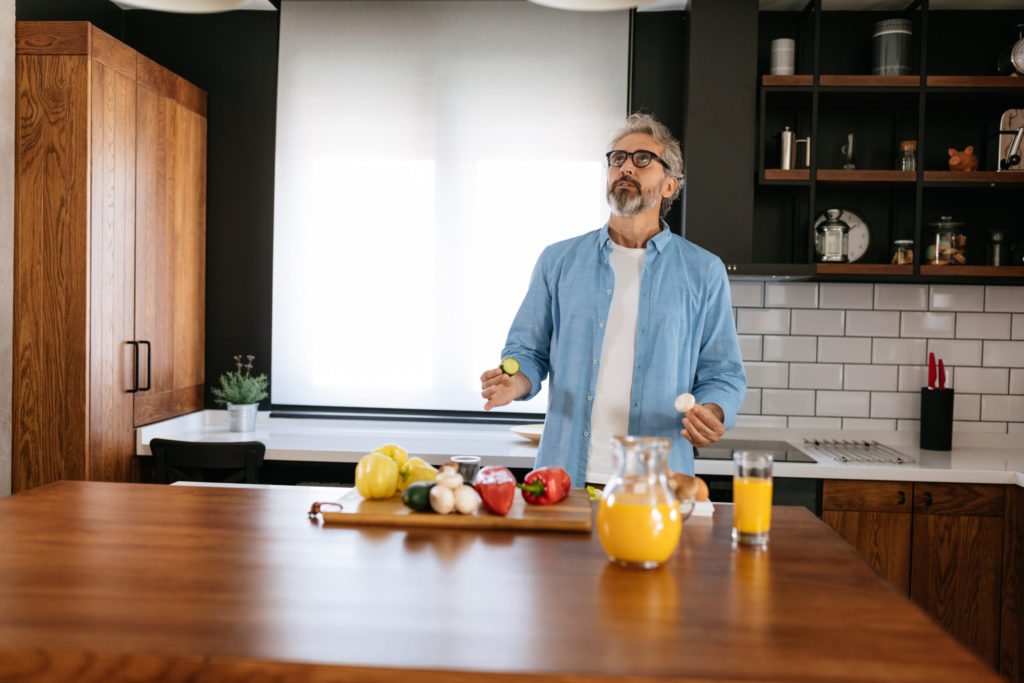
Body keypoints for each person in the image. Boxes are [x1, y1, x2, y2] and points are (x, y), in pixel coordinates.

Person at [480, 113, 746, 487]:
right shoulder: (558, 261)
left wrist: (713, 411)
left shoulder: (704, 270)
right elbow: (528, 352)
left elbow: (724, 374)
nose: (625, 167)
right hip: (563, 478)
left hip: (658, 484)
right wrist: (515, 382)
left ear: (670, 185)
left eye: (641, 159)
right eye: (617, 158)